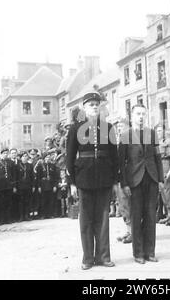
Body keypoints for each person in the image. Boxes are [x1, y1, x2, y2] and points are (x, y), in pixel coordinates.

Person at [66, 91, 119, 270]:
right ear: (84, 108)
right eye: (91, 104)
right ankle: (88, 258)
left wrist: (114, 180)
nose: (95, 107)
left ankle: (104, 256)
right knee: (86, 219)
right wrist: (72, 183)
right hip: (84, 178)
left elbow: (114, 155)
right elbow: (70, 157)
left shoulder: (108, 128)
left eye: (97, 104)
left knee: (103, 218)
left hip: (104, 177)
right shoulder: (75, 129)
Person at [119, 104, 164, 264]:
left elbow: (158, 157)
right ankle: (138, 253)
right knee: (136, 217)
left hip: (151, 179)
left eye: (143, 114)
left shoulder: (152, 134)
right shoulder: (125, 136)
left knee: (151, 216)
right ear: (132, 116)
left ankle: (150, 252)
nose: (141, 117)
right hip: (134, 181)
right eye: (138, 114)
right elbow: (121, 162)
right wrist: (124, 184)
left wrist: (160, 180)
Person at [156, 125, 170, 226]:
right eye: (157, 131)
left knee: (169, 193)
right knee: (163, 194)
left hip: (166, 166)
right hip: (160, 168)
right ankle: (167, 215)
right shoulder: (157, 143)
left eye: (161, 130)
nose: (159, 132)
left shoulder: (169, 143)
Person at [0, 148, 17, 224]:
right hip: (1, 187)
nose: (5, 154)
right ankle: (2, 220)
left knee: (9, 203)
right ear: (1, 154)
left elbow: (14, 175)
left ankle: (8, 219)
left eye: (7, 153)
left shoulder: (11, 162)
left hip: (9, 186)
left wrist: (13, 186)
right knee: (1, 203)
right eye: (4, 153)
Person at [37, 153, 58, 219]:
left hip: (51, 185)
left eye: (48, 158)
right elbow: (38, 177)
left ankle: (50, 214)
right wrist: (39, 186)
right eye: (46, 158)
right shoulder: (40, 166)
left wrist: (55, 186)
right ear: (43, 159)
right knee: (43, 201)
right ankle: (43, 215)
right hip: (43, 185)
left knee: (51, 200)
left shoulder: (52, 166)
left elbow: (55, 177)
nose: (47, 159)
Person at [17, 151, 36, 221]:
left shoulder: (30, 165)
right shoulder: (17, 165)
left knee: (27, 201)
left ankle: (26, 216)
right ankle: (21, 216)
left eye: (26, 156)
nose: (25, 158)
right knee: (21, 202)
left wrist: (33, 186)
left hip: (28, 186)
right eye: (23, 156)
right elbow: (16, 177)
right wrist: (15, 186)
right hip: (20, 186)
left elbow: (32, 176)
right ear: (21, 157)